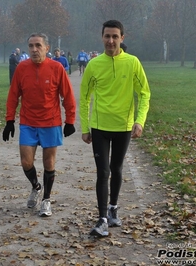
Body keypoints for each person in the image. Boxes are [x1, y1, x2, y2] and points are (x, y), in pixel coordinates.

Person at [80, 20, 150, 237]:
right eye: (107, 36)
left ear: (122, 38)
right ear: (102, 37)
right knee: (103, 171)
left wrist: (139, 121)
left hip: (123, 127)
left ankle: (113, 208)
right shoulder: (93, 65)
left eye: (115, 36)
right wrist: (85, 127)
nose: (111, 41)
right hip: (100, 127)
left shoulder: (132, 63)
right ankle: (101, 220)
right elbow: (84, 98)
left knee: (117, 168)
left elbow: (144, 93)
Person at [2, 33, 76, 217]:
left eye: (38, 46)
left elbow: (68, 96)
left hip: (50, 123)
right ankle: (36, 186)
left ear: (47, 48)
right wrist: (10, 120)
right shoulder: (22, 68)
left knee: (48, 162)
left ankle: (46, 200)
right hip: (28, 122)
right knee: (26, 162)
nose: (34, 50)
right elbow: (13, 96)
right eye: (31, 46)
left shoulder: (57, 68)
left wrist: (70, 121)